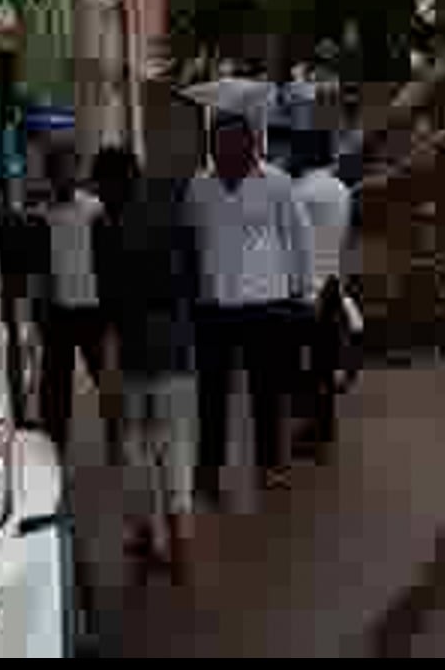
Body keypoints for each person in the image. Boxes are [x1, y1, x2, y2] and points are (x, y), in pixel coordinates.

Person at [186, 110, 315, 500]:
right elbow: (190, 240)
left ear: (250, 144)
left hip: (266, 304)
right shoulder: (199, 186)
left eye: (230, 140)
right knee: (211, 394)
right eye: (216, 142)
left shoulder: (277, 183)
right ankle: (209, 469)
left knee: (266, 390)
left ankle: (269, 463)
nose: (222, 148)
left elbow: (298, 237)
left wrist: (302, 291)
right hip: (213, 306)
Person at [92, 146, 198, 577]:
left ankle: (144, 535)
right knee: (174, 444)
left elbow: (107, 297)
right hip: (174, 347)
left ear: (111, 183)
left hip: (133, 350)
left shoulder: (104, 227)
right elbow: (190, 278)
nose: (99, 193)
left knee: (133, 447)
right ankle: (181, 543)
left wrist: (109, 353)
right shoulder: (171, 216)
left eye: (101, 184)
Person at [37, 142, 117, 456]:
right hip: (57, 312)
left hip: (93, 309)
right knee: (55, 389)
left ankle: (116, 438)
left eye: (71, 168)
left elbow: (108, 259)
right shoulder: (40, 215)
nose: (66, 176)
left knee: (106, 380)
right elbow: (39, 269)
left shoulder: (95, 210)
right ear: (50, 175)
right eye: (59, 170)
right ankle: (54, 448)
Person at [289, 128, 353, 463]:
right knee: (325, 365)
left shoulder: (300, 192)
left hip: (305, 290)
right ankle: (324, 431)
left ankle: (311, 432)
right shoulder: (341, 190)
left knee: (305, 366)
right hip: (331, 284)